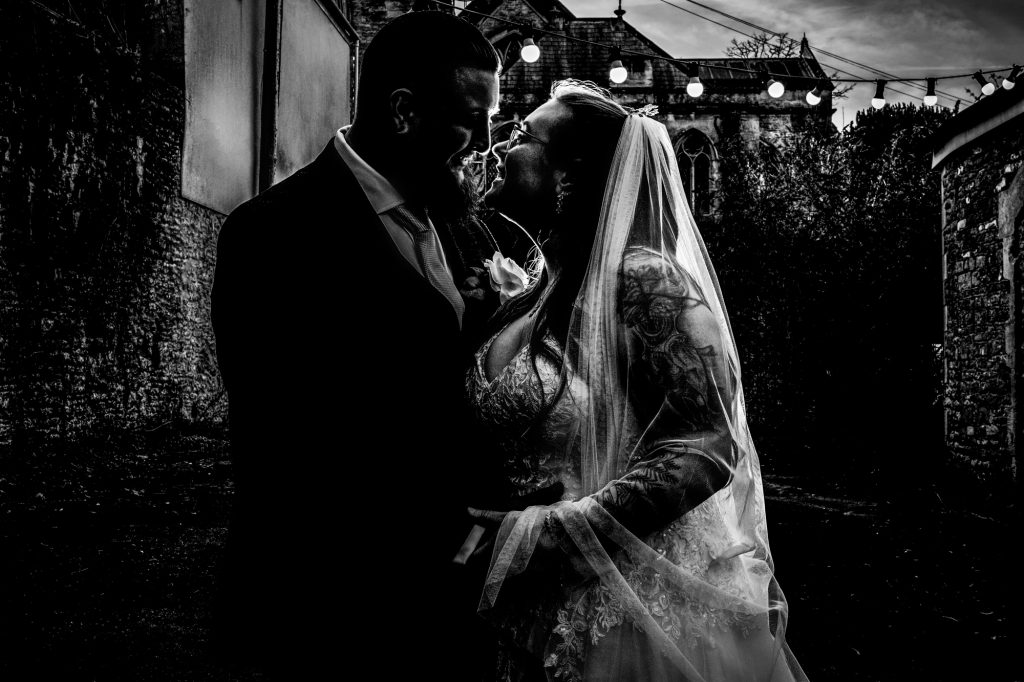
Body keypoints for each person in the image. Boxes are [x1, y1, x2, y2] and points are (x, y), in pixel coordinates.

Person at [465, 80, 809, 681]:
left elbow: (707, 445)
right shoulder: (541, 290)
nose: (499, 145)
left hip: (628, 618)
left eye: (523, 136)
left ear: (571, 175)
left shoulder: (645, 278)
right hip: (534, 612)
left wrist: (547, 536)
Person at [211, 10, 505, 677]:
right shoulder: (274, 236)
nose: (487, 142)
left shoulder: (465, 231)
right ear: (403, 111)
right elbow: (284, 447)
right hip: (322, 616)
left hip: (447, 614)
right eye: (470, 117)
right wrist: (442, 535)